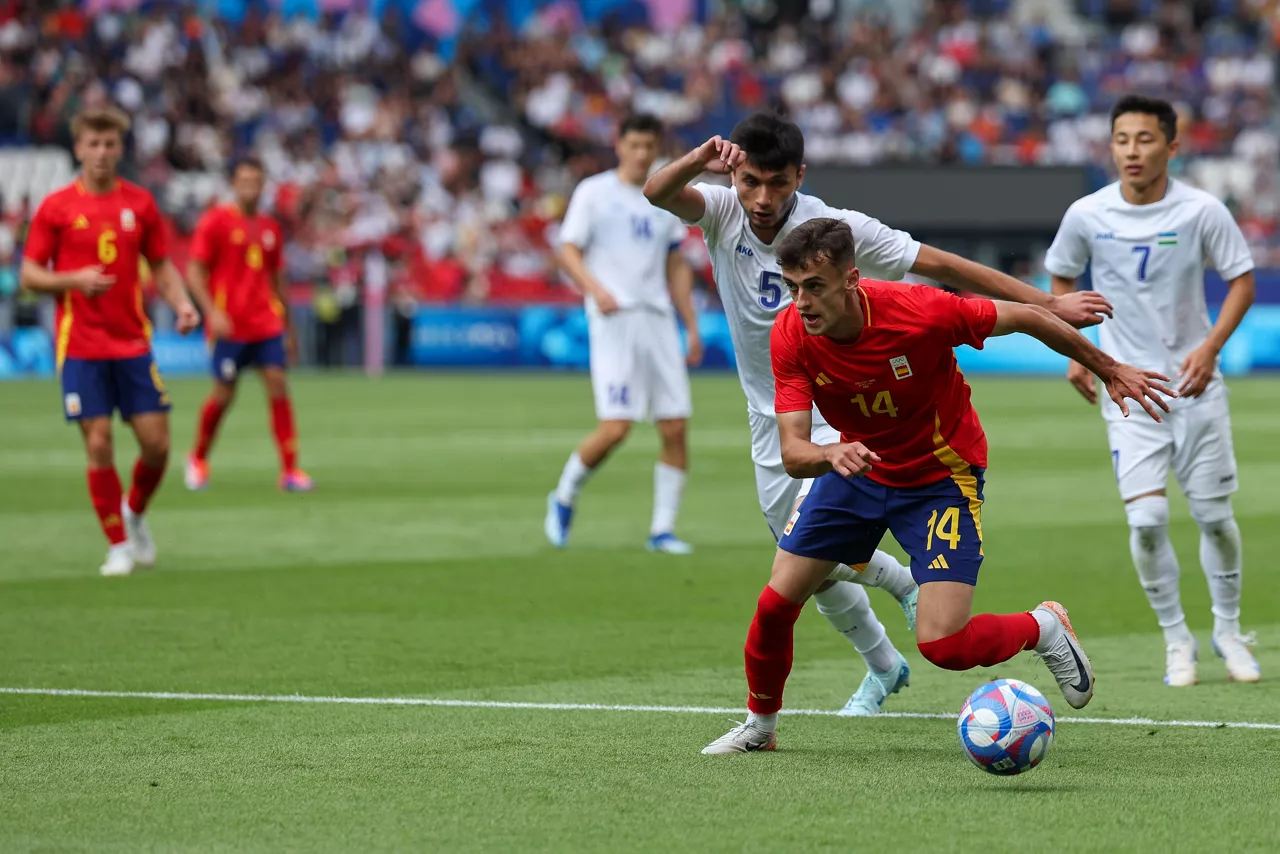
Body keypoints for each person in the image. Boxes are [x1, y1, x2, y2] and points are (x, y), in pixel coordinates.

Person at [643, 111, 1112, 714]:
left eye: (778, 184)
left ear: (799, 178)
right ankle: (886, 662)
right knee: (809, 568)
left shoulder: (839, 232)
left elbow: (942, 266)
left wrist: (1047, 300)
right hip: (773, 411)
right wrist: (698, 158)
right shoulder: (722, 206)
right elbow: (656, 191)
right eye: (751, 182)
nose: (762, 199)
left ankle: (905, 604)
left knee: (802, 568)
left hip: (841, 414)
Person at [701, 218, 1174, 754]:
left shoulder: (921, 311)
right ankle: (760, 727)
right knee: (776, 601)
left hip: (939, 476)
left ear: (852, 279)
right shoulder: (790, 333)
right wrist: (830, 452)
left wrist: (1108, 368)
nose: (802, 303)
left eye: (815, 287)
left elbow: (1024, 317)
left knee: (944, 644)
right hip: (856, 467)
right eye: (793, 288)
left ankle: (1041, 627)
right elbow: (792, 453)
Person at [1045, 94, 1259, 686]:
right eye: (1121, 139)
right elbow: (1061, 277)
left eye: (1143, 139)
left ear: (1171, 145)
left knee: (1215, 519)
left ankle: (1229, 630)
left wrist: (1210, 346)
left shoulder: (1201, 211)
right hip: (1130, 391)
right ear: (1110, 146)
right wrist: (1077, 352)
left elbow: (1241, 279)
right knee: (1147, 523)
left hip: (1196, 388)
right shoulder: (1088, 213)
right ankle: (1176, 641)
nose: (1131, 151)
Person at [19, 107, 200, 576]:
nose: (101, 153)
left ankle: (134, 514)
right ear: (78, 148)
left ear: (120, 149)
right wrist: (73, 278)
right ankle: (118, 544)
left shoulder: (139, 204)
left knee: (157, 446)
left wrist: (181, 303)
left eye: (109, 144)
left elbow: (160, 263)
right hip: (79, 345)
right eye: (93, 144)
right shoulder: (57, 207)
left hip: (132, 343)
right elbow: (29, 274)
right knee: (98, 443)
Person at [545, 114, 702, 554]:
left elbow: (675, 264)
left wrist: (690, 325)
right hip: (615, 318)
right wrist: (597, 290)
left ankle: (662, 530)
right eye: (633, 145)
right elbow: (568, 249)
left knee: (674, 425)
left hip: (657, 318)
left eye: (648, 146)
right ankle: (563, 495)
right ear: (619, 145)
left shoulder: (664, 195)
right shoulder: (594, 193)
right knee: (617, 427)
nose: (641, 154)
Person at [183, 156, 312, 493]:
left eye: (256, 181)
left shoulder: (270, 227)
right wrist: (211, 311)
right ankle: (197, 458)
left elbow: (279, 279)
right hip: (230, 326)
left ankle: (290, 470)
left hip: (266, 324)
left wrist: (290, 328)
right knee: (224, 395)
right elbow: (194, 271)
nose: (250, 187)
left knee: (278, 383)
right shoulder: (215, 222)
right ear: (233, 184)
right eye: (244, 180)